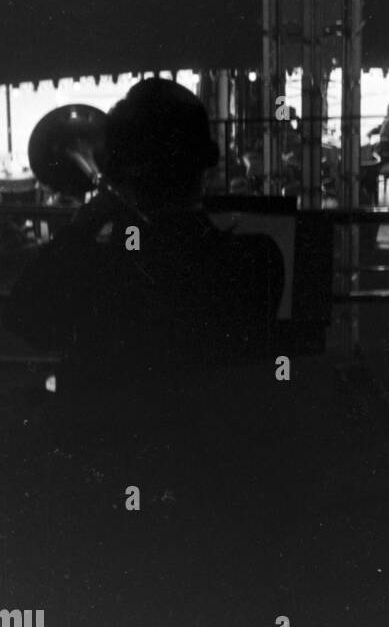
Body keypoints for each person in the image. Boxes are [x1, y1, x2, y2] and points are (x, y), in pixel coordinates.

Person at [4, 78, 284, 392]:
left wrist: (82, 225)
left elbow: (25, 321)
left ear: (118, 172)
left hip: (106, 435)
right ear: (207, 165)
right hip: (215, 432)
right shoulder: (259, 257)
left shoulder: (96, 270)